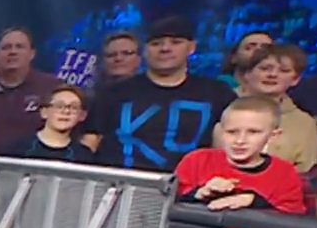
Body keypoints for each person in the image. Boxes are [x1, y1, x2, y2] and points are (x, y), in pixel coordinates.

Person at [83, 16, 237, 170]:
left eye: (176, 42)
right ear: (144, 50)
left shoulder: (218, 94)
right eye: (156, 43)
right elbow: (90, 141)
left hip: (191, 183)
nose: (165, 48)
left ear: (191, 48)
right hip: (117, 181)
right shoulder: (113, 93)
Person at [174, 97, 305, 214]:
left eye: (253, 132)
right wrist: (200, 193)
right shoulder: (196, 161)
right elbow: (168, 202)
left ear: (273, 136)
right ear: (220, 131)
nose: (240, 140)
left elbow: (293, 221)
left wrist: (254, 201)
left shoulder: (284, 173)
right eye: (232, 132)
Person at [0, 27, 57, 154]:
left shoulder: (52, 88)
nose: (12, 52)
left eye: (19, 47)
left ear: (32, 54)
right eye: (6, 47)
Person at [226, 44, 317, 172]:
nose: (273, 74)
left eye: (284, 71)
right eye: (265, 69)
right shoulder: (222, 105)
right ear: (247, 74)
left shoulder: (304, 122)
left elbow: (305, 170)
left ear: (295, 79)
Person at [21, 83, 93, 163]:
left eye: (74, 107)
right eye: (59, 106)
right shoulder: (20, 148)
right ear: (44, 112)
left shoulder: (84, 155)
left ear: (82, 115)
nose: (66, 111)